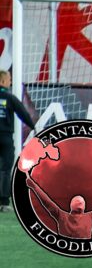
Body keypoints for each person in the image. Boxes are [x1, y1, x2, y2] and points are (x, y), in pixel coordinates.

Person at [1, 68, 37, 213]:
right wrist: (33, 127)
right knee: (5, 168)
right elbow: (23, 113)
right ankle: (3, 202)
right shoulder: (10, 98)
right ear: (3, 81)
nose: (10, 81)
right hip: (5, 137)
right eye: (9, 79)